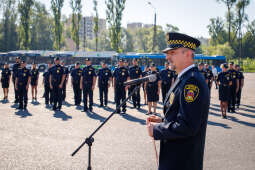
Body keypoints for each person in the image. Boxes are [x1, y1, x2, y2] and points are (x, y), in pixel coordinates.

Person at [147, 32, 210, 170]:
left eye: (172, 52)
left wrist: (157, 130)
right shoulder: (184, 78)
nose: (167, 57)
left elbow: (187, 125)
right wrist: (163, 121)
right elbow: (181, 114)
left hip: (182, 162)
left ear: (187, 54)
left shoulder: (191, 82)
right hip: (175, 159)